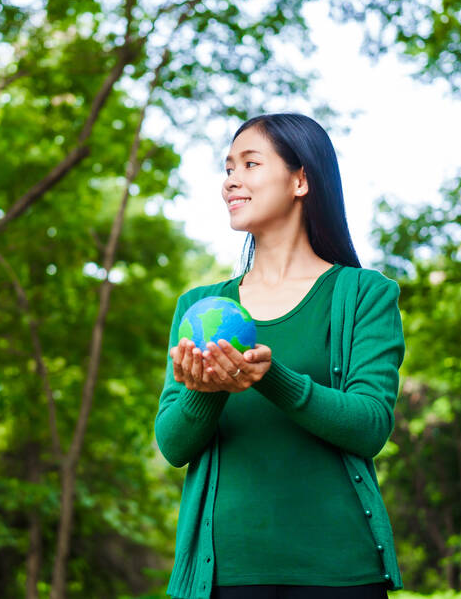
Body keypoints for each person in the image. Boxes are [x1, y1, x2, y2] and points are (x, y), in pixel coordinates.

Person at [154, 113, 406, 599]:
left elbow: (370, 425)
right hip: (224, 574)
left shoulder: (365, 295)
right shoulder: (200, 308)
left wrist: (271, 378)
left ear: (301, 180)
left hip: (341, 571)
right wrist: (207, 392)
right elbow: (173, 444)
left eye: (249, 164)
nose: (231, 181)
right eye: (228, 168)